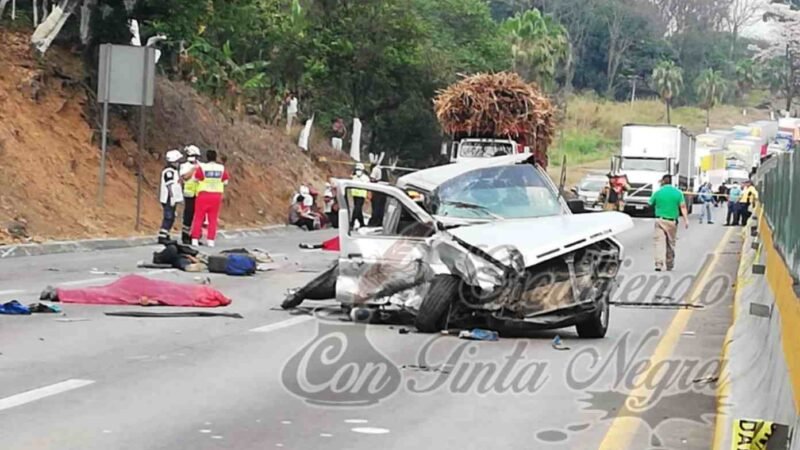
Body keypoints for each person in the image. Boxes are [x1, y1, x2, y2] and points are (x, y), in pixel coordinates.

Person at [648, 174, 689, 271]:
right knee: (670, 243)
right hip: (672, 221)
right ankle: (669, 264)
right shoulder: (678, 193)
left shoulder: (658, 192)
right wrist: (686, 219)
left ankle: (658, 264)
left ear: (663, 181)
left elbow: (650, 203)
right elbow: (682, 207)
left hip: (660, 220)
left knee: (659, 242)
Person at [190, 149, 229, 247]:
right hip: (216, 195)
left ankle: (195, 239)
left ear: (206, 157)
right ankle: (210, 240)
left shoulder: (202, 167)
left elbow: (195, 179)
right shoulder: (221, 168)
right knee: (213, 218)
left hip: (203, 194)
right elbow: (225, 181)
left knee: (198, 217)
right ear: (216, 157)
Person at [158, 150, 185, 244]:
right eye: (177, 161)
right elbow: (169, 185)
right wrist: (172, 197)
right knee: (168, 217)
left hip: (172, 198)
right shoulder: (168, 171)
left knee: (172, 216)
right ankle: (162, 236)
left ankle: (166, 234)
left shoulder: (174, 171)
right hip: (168, 198)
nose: (178, 163)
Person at [180, 145, 202, 244]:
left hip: (199, 193)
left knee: (198, 215)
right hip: (189, 194)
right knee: (188, 215)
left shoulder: (201, 165)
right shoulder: (184, 166)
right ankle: (185, 236)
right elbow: (184, 177)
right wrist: (193, 169)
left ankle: (196, 236)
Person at [350, 162, 370, 229]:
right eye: (357, 169)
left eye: (359, 169)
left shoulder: (365, 178)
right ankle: (362, 223)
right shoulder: (354, 177)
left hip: (361, 196)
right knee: (358, 209)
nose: (358, 171)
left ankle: (352, 223)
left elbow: (367, 186)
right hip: (355, 195)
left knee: (356, 209)